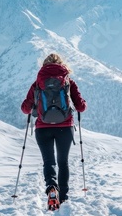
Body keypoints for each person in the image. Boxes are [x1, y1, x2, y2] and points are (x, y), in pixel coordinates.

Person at [21, 53, 87, 203]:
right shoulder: (68, 82)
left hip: (43, 128)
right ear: (63, 65)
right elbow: (81, 107)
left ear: (44, 66)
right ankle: (62, 196)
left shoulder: (37, 83)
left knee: (49, 162)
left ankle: (51, 187)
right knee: (63, 162)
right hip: (65, 127)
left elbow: (25, 109)